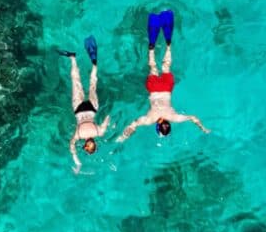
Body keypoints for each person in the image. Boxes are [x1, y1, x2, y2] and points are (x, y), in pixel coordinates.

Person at [116, 10, 210, 142]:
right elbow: (133, 125)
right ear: (157, 126)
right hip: (154, 89)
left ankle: (168, 45)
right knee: (153, 67)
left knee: (166, 66)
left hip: (166, 88)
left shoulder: (174, 117)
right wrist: (122, 138)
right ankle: (151, 48)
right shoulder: (150, 119)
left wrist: (203, 128)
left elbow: (193, 118)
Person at [58, 35, 110, 173]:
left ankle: (92, 63)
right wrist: (77, 162)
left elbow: (107, 119)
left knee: (92, 84)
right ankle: (73, 58)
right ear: (87, 146)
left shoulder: (99, 132)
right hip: (79, 111)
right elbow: (71, 147)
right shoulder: (78, 135)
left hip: (92, 109)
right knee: (76, 81)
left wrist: (107, 119)